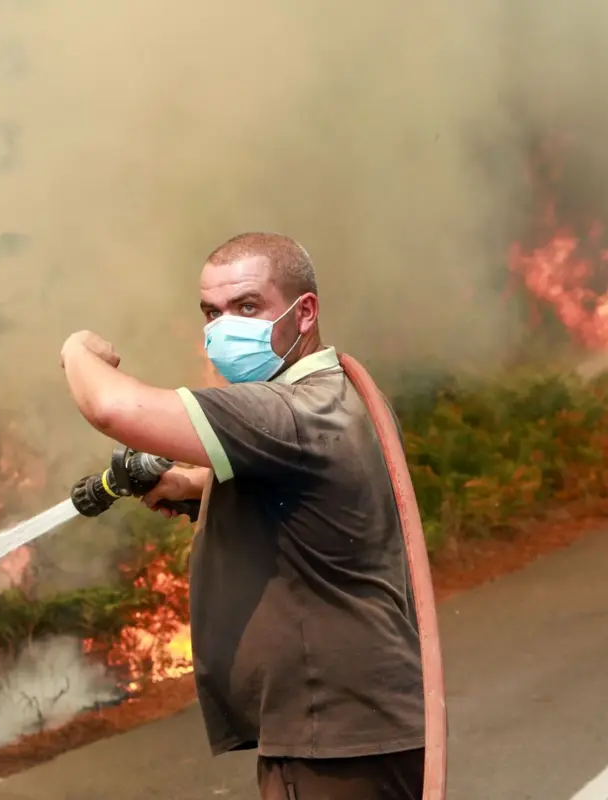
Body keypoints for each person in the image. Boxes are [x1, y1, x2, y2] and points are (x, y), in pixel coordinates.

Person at [60, 232, 425, 800]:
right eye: (212, 312)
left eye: (247, 306)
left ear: (305, 312)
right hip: (350, 727)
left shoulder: (289, 409)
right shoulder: (334, 396)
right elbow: (308, 492)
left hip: (333, 735)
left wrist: (76, 350)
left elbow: (112, 407)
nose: (225, 327)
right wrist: (189, 485)